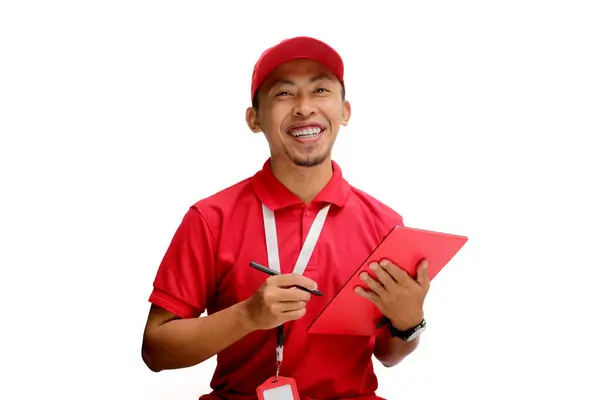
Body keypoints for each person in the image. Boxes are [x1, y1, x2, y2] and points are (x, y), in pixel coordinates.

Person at [141, 36, 430, 400]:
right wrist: (247, 315)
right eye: (283, 94)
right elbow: (155, 351)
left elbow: (388, 355)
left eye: (321, 89)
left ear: (345, 111)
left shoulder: (385, 224)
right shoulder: (210, 218)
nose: (304, 108)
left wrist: (409, 322)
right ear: (254, 119)